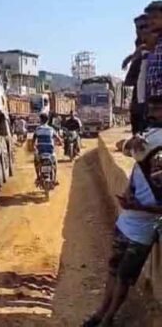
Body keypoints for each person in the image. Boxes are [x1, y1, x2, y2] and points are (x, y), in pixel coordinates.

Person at [82, 129, 162, 327]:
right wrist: (129, 200)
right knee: (113, 272)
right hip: (126, 226)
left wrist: (137, 206)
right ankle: (101, 314)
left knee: (123, 277)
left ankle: (108, 317)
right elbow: (130, 191)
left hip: (141, 233)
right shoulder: (138, 169)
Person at [33, 113, 62, 182]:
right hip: (50, 151)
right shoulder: (51, 129)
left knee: (36, 162)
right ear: (47, 120)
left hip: (41, 151)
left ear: (40, 120)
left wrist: (34, 146)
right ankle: (54, 178)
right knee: (54, 163)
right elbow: (58, 138)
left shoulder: (38, 129)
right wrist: (61, 143)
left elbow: (33, 141)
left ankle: (38, 177)